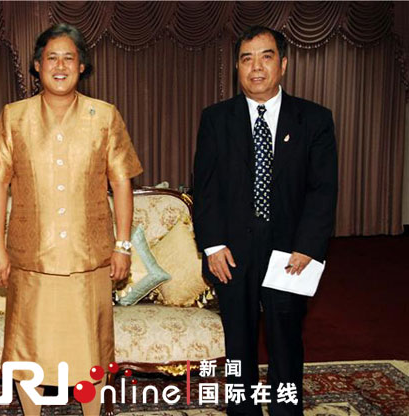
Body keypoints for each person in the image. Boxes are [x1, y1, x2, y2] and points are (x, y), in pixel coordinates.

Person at [0, 23, 143, 416]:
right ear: (37, 65)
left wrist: (123, 245)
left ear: (82, 66)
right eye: (52, 58)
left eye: (70, 58)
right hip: (31, 261)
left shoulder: (105, 116)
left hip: (90, 260)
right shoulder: (14, 117)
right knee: (29, 352)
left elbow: (121, 182)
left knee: (91, 351)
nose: (61, 66)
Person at [193, 26, 338, 416]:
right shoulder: (216, 119)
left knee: (286, 339)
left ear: (283, 64)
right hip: (231, 252)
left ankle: (286, 410)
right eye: (246, 59)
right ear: (237, 67)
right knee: (238, 342)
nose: (256, 67)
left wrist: (307, 247)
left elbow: (322, 190)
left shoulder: (314, 119)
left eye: (266, 57)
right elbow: (204, 189)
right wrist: (212, 245)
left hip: (290, 253)